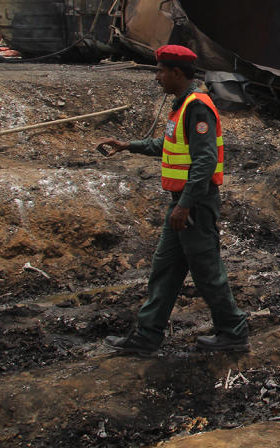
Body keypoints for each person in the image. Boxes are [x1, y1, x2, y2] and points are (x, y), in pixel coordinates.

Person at [97, 45, 249, 354]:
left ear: (177, 73)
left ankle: (233, 331)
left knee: (206, 270)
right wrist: (129, 146)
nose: (157, 78)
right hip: (182, 203)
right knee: (165, 268)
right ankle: (147, 335)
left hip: (194, 204)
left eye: (160, 71)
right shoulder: (182, 107)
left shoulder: (197, 107)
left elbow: (204, 162)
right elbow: (168, 146)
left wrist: (185, 205)